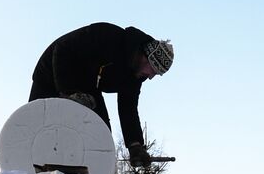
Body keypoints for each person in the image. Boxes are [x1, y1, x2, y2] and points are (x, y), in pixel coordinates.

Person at [29, 23, 174, 166]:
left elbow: (128, 108)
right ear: (146, 56)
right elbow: (63, 49)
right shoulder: (108, 36)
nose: (151, 77)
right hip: (51, 74)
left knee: (100, 132)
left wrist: (135, 145)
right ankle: (29, 169)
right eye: (154, 70)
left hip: (88, 87)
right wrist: (69, 92)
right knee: (37, 125)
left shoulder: (135, 76)